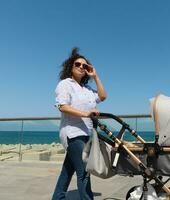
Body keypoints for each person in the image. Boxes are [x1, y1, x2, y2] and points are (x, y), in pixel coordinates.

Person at [52, 47, 107, 200]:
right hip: (72, 133)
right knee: (84, 172)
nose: (82, 67)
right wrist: (86, 113)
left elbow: (102, 96)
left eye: (85, 65)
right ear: (71, 66)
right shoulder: (65, 84)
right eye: (78, 64)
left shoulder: (87, 89)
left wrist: (95, 76)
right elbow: (62, 106)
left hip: (86, 134)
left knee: (67, 172)